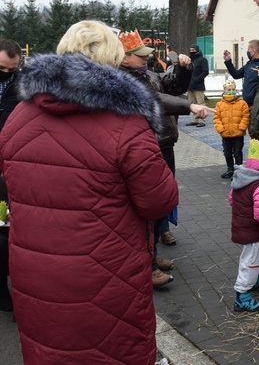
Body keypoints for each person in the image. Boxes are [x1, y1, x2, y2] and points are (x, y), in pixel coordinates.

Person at [0, 20, 179, 364]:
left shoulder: (20, 114)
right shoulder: (125, 121)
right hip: (105, 271)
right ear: (113, 61)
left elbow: (12, 178)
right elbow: (159, 199)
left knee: (49, 348)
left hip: (34, 270)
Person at [119, 30, 212, 286]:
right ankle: (146, 267)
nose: (146, 59)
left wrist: (184, 69)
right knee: (148, 208)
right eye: (140, 56)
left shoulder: (146, 74)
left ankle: (152, 256)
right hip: (147, 147)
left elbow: (173, 85)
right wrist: (189, 106)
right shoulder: (123, 80)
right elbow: (154, 100)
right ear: (124, 58)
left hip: (164, 144)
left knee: (160, 204)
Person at [228, 139, 259, 312]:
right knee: (250, 261)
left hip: (242, 226)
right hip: (252, 230)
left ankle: (257, 278)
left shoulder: (241, 178)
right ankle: (242, 295)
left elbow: (231, 200)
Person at [0, 37, 22, 312]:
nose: (6, 74)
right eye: (1, 68)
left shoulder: (22, 84)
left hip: (9, 164)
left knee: (8, 226)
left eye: (11, 69)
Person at [214, 79, 250, 179]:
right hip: (226, 133)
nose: (231, 91)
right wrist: (221, 129)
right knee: (227, 152)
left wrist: (242, 127)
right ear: (224, 90)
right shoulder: (219, 104)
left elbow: (245, 116)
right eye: (229, 89)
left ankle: (239, 170)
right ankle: (230, 169)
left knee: (238, 152)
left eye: (233, 89)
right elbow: (217, 118)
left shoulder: (242, 103)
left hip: (238, 133)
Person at [223, 39, 259, 108]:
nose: (248, 52)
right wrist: (228, 61)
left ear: (254, 50)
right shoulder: (249, 64)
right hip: (246, 103)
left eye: (249, 49)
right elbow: (236, 75)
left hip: (257, 104)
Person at [186, 43, 209, 127]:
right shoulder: (189, 60)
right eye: (190, 50)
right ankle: (195, 119)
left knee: (200, 103)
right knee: (192, 103)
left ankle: (203, 120)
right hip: (190, 85)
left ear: (197, 50)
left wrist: (197, 80)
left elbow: (205, 72)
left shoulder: (202, 60)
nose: (191, 51)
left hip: (198, 86)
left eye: (193, 50)